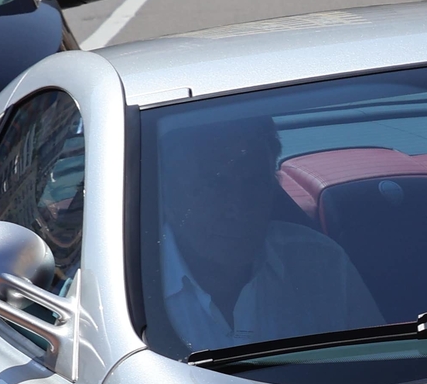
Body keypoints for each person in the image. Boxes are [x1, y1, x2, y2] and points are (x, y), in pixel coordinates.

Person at [158, 119, 380, 349]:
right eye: (214, 185)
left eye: (254, 183)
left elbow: (381, 365)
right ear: (168, 196)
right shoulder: (129, 290)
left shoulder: (322, 264)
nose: (239, 207)